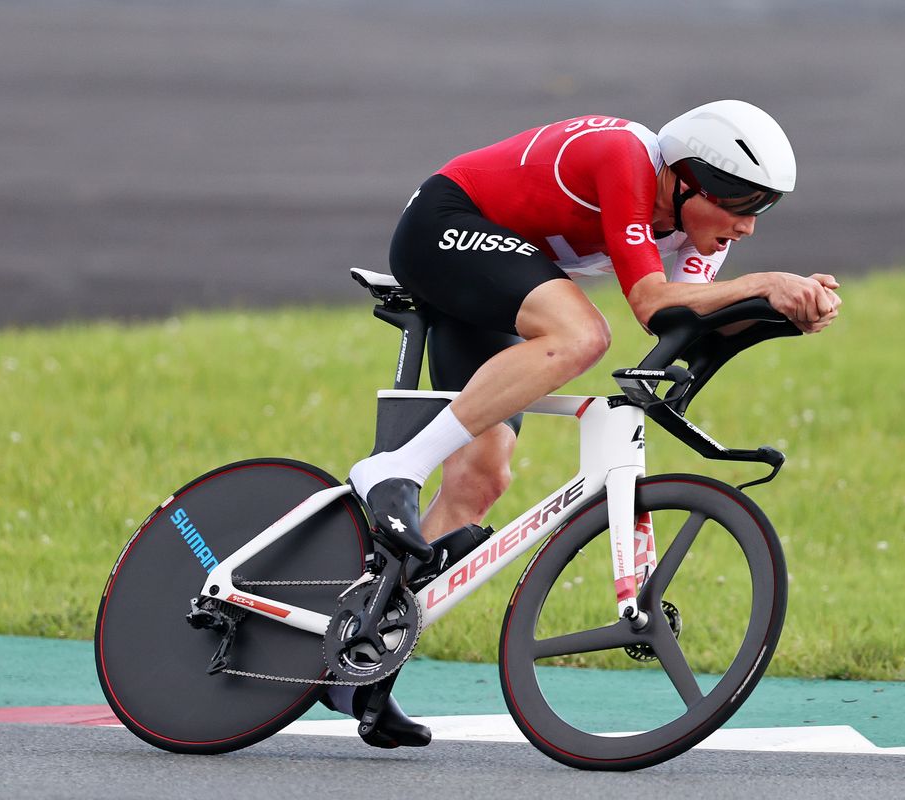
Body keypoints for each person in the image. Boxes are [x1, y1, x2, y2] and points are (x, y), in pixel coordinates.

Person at [331, 100, 841, 745]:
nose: (746, 225)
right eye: (738, 201)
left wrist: (781, 313)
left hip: (499, 280)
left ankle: (363, 663)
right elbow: (652, 301)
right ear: (683, 176)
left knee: (479, 479)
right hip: (445, 227)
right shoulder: (625, 160)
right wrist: (763, 283)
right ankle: (394, 468)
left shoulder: (691, 231)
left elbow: (682, 322)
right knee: (581, 335)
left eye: (761, 208)